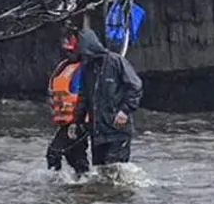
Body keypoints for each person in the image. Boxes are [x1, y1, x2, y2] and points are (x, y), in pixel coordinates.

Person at [73, 26, 143, 167]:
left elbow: (135, 86)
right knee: (100, 171)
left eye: (85, 53)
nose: (84, 57)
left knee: (115, 168)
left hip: (118, 129)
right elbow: (83, 98)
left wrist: (124, 111)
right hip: (97, 132)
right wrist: (77, 121)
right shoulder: (87, 69)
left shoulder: (116, 62)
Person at [45, 29, 91, 179]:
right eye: (67, 52)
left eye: (72, 52)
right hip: (66, 122)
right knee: (75, 157)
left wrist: (79, 122)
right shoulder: (63, 67)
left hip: (78, 122)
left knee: (54, 152)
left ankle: (55, 182)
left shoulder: (84, 69)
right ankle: (84, 181)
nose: (69, 55)